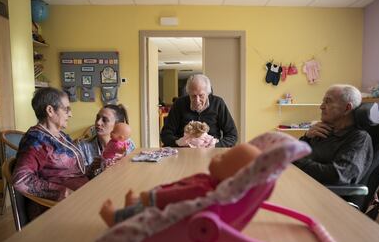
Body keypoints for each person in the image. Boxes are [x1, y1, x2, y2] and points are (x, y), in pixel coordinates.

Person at [100, 143, 261, 227]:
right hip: (162, 192)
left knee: (142, 214)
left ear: (230, 176)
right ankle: (136, 203)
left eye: (224, 157)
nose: (218, 156)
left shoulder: (203, 189)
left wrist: (151, 197)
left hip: (161, 206)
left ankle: (116, 218)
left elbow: (176, 195)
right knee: (140, 204)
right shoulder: (209, 180)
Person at [13, 87, 89, 220]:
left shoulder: (60, 136)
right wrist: (62, 192)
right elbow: (21, 179)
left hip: (80, 199)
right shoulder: (36, 141)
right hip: (56, 209)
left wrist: (93, 168)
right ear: (50, 110)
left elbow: (73, 170)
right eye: (66, 109)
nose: (70, 114)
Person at [294, 84, 373, 185]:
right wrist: (307, 136)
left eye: (327, 101)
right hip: (300, 183)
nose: (321, 106)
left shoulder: (359, 138)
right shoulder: (323, 130)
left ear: (347, 108)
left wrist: (296, 161)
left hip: (322, 195)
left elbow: (338, 176)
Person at [160, 74, 238, 147]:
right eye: (193, 96)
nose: (197, 100)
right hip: (184, 151)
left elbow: (232, 136)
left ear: (208, 93)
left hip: (211, 151)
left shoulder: (218, 103)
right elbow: (165, 134)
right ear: (188, 93)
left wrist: (215, 144)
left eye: (201, 95)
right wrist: (178, 142)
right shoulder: (179, 104)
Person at [77, 104, 135, 177]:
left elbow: (133, 171)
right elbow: (79, 178)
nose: (98, 122)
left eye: (105, 120)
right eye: (97, 118)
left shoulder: (128, 144)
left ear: (117, 125)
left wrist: (123, 163)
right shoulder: (83, 146)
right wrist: (92, 169)